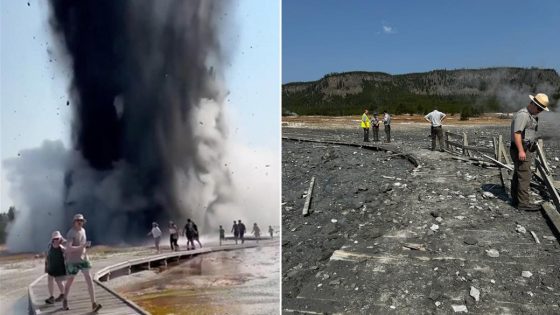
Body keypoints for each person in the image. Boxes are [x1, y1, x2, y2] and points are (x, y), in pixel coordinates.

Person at [510, 93, 549, 212]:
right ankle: (523, 203)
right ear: (533, 104)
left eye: (541, 109)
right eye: (539, 108)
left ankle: (516, 200)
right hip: (519, 149)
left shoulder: (530, 115)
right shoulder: (523, 115)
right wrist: (521, 151)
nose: (540, 111)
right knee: (525, 176)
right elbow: (516, 133)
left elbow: (527, 134)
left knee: (519, 174)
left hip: (523, 148)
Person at [62, 214, 102, 312]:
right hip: (73, 261)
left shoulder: (83, 230)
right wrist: (82, 246)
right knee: (70, 281)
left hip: (83, 258)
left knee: (89, 279)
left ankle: (93, 303)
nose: (80, 222)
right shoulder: (71, 233)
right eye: (78, 220)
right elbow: (69, 248)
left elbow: (82, 245)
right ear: (74, 222)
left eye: (81, 220)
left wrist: (85, 247)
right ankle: (65, 299)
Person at [44, 230, 66, 305]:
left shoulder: (62, 247)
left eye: (57, 238)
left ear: (60, 238)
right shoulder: (50, 246)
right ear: (52, 239)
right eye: (55, 239)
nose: (56, 240)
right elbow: (47, 255)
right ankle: (51, 297)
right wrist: (46, 265)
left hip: (59, 268)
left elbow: (68, 255)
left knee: (59, 281)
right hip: (51, 267)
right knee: (50, 280)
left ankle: (63, 294)